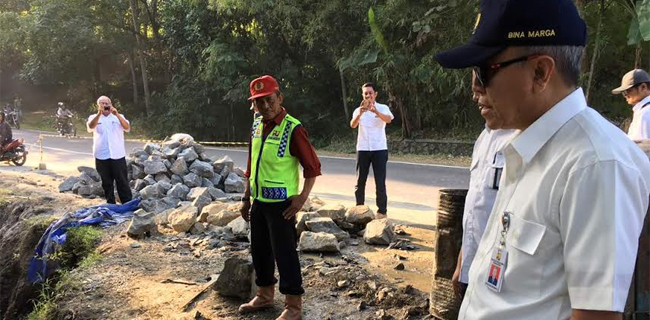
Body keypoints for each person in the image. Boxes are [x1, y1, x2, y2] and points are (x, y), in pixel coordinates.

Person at [435, 0, 650, 319]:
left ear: (540, 72)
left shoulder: (595, 164)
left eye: (484, 70)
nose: (476, 86)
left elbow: (595, 314)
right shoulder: (528, 146)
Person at [239, 75, 321, 320]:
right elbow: (251, 164)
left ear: (279, 98)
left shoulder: (293, 128)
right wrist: (246, 197)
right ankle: (264, 295)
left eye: (269, 100)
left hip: (283, 206)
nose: (264, 106)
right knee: (260, 251)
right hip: (259, 203)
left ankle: (293, 306)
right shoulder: (256, 125)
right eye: (258, 102)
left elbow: (313, 167)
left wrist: (301, 198)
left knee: (285, 253)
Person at [451, 72, 516, 300]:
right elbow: (475, 207)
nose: (476, 94)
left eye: (483, 83)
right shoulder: (484, 138)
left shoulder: (523, 140)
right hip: (474, 268)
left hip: (505, 280)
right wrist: (462, 263)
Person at [349, 83, 394, 219]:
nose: (368, 95)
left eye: (370, 93)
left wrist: (376, 112)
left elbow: (389, 120)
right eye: (365, 93)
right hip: (363, 148)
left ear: (375, 94)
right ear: (363, 95)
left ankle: (382, 212)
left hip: (379, 149)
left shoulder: (383, 108)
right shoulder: (358, 110)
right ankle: (359, 210)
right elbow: (353, 125)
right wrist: (361, 113)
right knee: (360, 180)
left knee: (380, 181)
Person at [86, 96, 132, 204]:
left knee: (122, 180)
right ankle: (110, 203)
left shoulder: (118, 116)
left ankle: (127, 203)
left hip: (117, 154)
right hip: (101, 154)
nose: (105, 105)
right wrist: (99, 114)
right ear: (98, 105)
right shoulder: (94, 117)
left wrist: (117, 114)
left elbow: (127, 127)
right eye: (102, 103)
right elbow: (90, 127)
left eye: (107, 103)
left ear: (111, 104)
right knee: (106, 182)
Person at [612, 69, 650, 142]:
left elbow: (640, 149)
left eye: (627, 91)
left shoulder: (645, 113)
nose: (626, 96)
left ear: (643, 87)